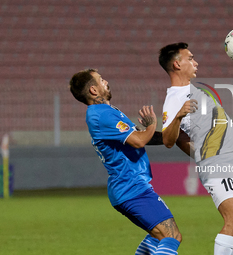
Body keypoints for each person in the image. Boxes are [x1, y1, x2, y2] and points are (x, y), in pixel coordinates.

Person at [159, 43, 233, 255]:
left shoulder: (194, 90)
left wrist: (199, 153)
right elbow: (169, 139)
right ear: (177, 64)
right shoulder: (174, 98)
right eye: (191, 58)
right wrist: (177, 116)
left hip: (232, 159)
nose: (195, 62)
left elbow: (180, 139)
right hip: (216, 162)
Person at [69, 69, 182, 255]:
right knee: (172, 236)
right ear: (93, 90)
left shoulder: (105, 112)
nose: (106, 81)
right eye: (101, 80)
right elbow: (139, 140)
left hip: (128, 187)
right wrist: (152, 123)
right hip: (131, 187)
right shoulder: (101, 114)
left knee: (157, 237)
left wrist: (175, 136)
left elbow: (140, 136)